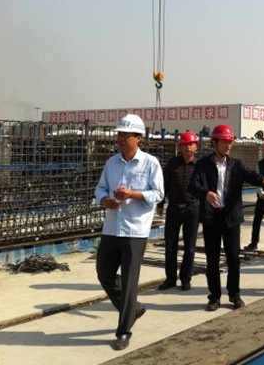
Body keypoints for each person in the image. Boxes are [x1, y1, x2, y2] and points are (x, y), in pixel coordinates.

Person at [94, 114, 164, 350]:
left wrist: (132, 194)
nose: (121, 139)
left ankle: (123, 331)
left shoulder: (150, 163)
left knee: (130, 281)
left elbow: (158, 194)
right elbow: (100, 188)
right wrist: (105, 200)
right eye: (119, 135)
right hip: (112, 227)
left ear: (138, 138)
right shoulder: (112, 163)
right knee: (104, 272)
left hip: (135, 230)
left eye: (126, 135)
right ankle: (134, 308)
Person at [189, 124, 264, 311]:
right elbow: (193, 185)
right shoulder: (203, 164)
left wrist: (263, 181)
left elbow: (250, 175)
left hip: (231, 218)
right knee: (212, 260)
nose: (228, 146)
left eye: (230, 142)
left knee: (233, 258)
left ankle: (234, 294)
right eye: (224, 142)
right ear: (214, 143)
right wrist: (206, 194)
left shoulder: (236, 164)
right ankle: (214, 297)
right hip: (212, 218)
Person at [156, 131, 200, 291]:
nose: (188, 147)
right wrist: (160, 204)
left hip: (193, 209)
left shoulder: (200, 166)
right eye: (185, 145)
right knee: (170, 245)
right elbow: (164, 185)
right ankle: (170, 278)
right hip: (174, 208)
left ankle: (186, 279)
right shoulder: (172, 164)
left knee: (190, 246)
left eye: (191, 144)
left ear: (196, 147)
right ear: (180, 147)